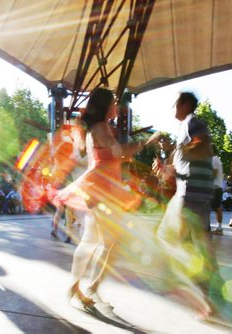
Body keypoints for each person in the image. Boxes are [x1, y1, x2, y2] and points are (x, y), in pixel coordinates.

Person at [54, 88, 143, 311]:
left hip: (102, 187)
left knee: (96, 240)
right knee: (100, 241)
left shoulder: (99, 128)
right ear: (105, 106)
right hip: (102, 189)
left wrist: (128, 151)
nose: (116, 107)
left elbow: (113, 157)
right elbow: (118, 153)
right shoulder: (101, 127)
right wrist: (140, 144)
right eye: (113, 103)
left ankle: (82, 287)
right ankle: (83, 287)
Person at [148, 92, 218, 319]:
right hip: (194, 190)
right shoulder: (186, 128)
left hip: (190, 193)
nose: (172, 108)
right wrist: (167, 166)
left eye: (174, 103)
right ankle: (207, 293)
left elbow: (204, 145)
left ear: (185, 104)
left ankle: (199, 293)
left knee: (174, 240)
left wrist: (177, 150)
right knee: (196, 242)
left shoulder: (192, 122)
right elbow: (186, 164)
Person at [210, 152, 224, 234]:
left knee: (217, 208)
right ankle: (219, 228)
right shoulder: (217, 159)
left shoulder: (213, 159)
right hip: (217, 186)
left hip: (214, 186)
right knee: (217, 207)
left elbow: (214, 174)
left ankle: (219, 228)